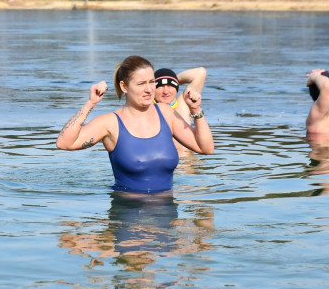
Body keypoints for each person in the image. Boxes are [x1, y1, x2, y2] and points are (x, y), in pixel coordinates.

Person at [56, 55, 214, 194]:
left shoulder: (166, 114)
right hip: (127, 213)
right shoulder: (110, 123)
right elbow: (65, 143)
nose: (149, 89)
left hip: (167, 213)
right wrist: (90, 104)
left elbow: (206, 148)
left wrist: (196, 110)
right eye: (141, 84)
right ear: (124, 86)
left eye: (152, 82)